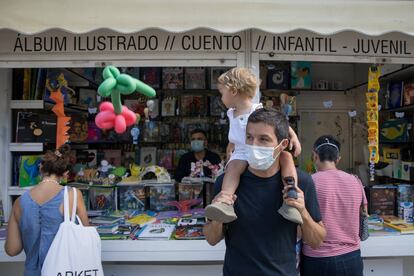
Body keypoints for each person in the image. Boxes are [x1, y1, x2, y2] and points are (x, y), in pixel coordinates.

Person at [204, 108, 326, 276]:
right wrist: (218, 217)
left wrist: (302, 212)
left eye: (263, 139)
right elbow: (211, 239)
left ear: (282, 144)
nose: (254, 145)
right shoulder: (226, 183)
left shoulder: (301, 182)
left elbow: (317, 241)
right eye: (249, 137)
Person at [205, 67, 303, 224]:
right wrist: (231, 146)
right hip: (242, 151)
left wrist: (294, 138)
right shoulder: (231, 113)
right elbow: (236, 133)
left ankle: (291, 196)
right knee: (233, 168)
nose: (221, 97)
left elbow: (281, 124)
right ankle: (226, 201)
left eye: (222, 93)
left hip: (260, 149)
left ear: (233, 91)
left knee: (286, 157)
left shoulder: (256, 109)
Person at [5, 144, 89, 276]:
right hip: (65, 271)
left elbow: (12, 250)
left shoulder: (19, 202)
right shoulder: (73, 195)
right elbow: (85, 237)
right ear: (65, 173)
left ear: (40, 168)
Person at [301, 135, 367, 276]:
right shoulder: (356, 181)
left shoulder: (308, 182)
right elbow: (364, 215)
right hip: (351, 257)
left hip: (316, 259)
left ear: (314, 156)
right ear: (338, 159)